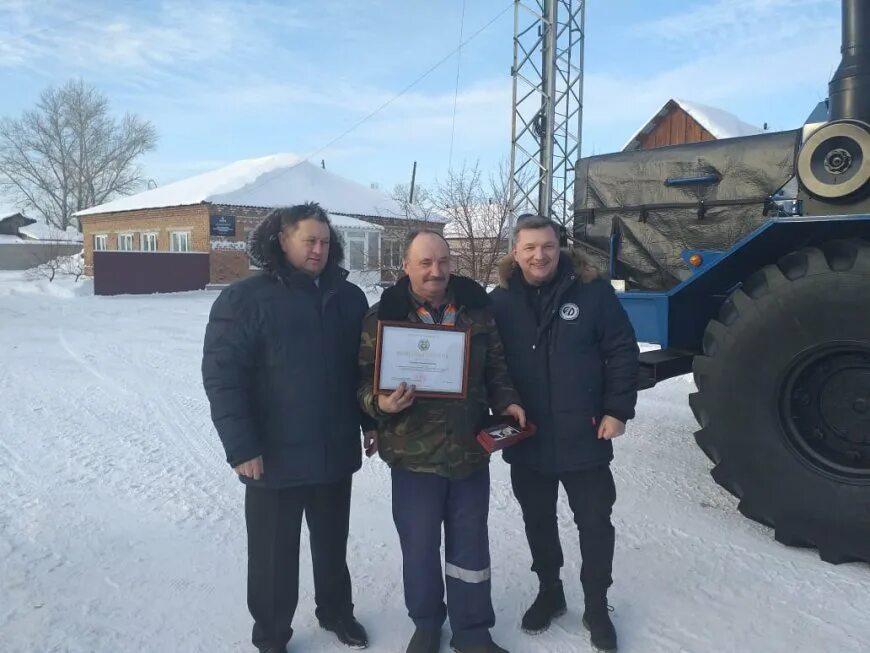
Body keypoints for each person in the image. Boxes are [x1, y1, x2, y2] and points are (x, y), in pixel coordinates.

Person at [202, 203, 374, 653]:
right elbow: (223, 377)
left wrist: (371, 422)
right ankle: (272, 634)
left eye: (324, 241)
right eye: (309, 241)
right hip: (272, 457)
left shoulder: (348, 298)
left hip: (334, 450)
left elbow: (363, 371)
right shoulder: (244, 299)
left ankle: (337, 612)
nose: (319, 250)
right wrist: (241, 446)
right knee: (273, 556)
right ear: (283, 240)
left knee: (332, 546)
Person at [358, 229, 525, 653]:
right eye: (426, 263)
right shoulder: (383, 317)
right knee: (419, 548)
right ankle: (427, 624)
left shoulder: (476, 311)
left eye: (443, 262)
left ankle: (472, 631)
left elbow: (498, 370)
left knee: (471, 547)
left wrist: (509, 403)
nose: (437, 271)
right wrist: (379, 406)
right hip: (413, 457)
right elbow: (359, 383)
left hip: (469, 451)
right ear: (406, 268)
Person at [489, 215, 639, 653]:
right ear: (514, 253)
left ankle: (596, 605)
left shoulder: (592, 294)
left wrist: (617, 410)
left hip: (585, 435)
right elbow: (489, 363)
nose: (540, 255)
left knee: (594, 523)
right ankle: (550, 590)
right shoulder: (500, 302)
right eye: (530, 247)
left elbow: (622, 350)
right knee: (538, 520)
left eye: (548, 246)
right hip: (527, 436)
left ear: (560, 248)